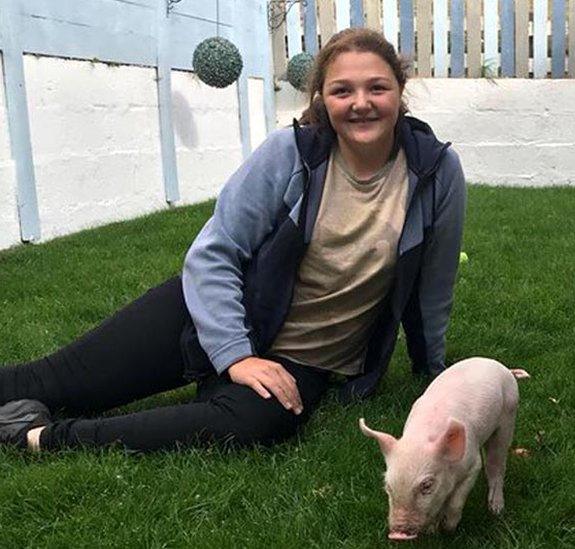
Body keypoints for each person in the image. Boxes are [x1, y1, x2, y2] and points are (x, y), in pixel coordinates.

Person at [0, 28, 466, 453]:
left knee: (255, 424)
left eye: (376, 88)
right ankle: (31, 405)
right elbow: (214, 253)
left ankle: (37, 437)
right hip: (210, 316)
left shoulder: (435, 173)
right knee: (49, 381)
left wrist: (434, 374)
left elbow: (433, 288)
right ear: (322, 98)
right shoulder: (291, 153)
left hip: (303, 361)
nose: (360, 102)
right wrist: (237, 355)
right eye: (343, 90)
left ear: (399, 93)